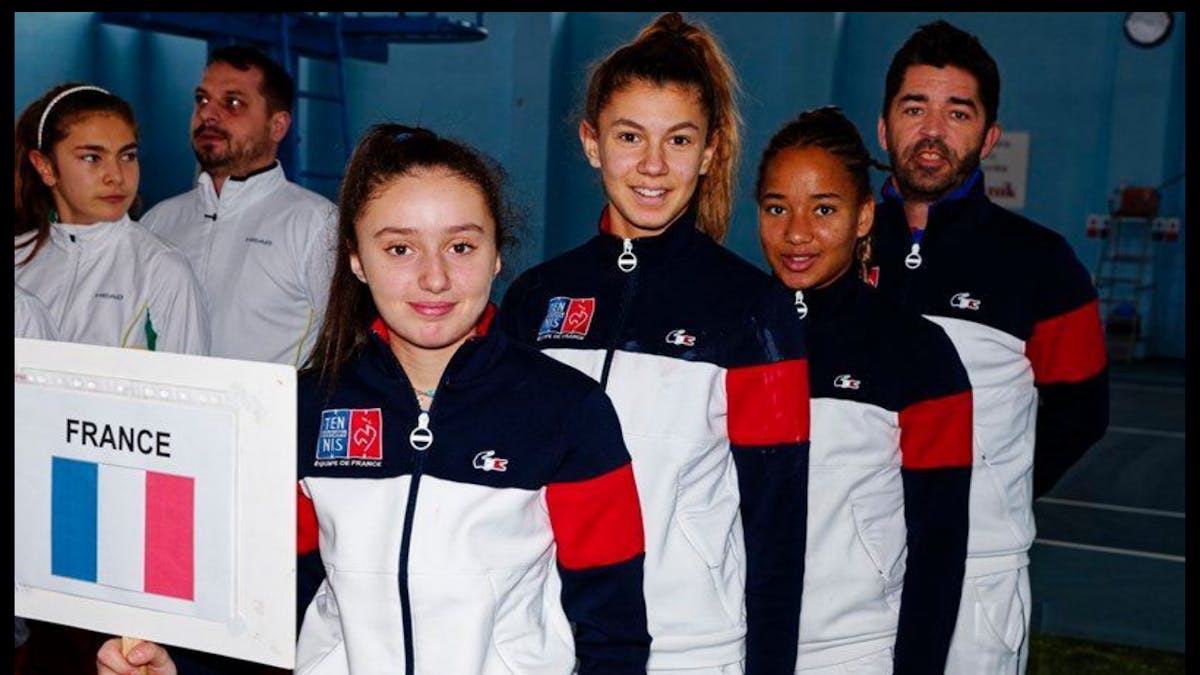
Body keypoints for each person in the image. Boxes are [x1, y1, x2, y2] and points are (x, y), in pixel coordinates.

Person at [100, 124, 652, 675]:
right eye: (399, 249)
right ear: (358, 261)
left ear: (496, 256)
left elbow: (613, 631)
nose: (434, 278)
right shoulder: (304, 407)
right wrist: (177, 669)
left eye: (461, 246)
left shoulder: (568, 410)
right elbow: (270, 607)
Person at [498, 13, 810, 674]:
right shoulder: (535, 298)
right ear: (591, 141)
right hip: (546, 641)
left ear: (710, 150)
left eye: (678, 139)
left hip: (688, 649)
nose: (652, 165)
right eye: (629, 136)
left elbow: (777, 523)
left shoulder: (754, 309)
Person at [871, 21, 1109, 673]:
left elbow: (1082, 411)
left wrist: (985, 492)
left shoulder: (1041, 263)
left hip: (978, 576)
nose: (933, 130)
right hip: (844, 566)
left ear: (989, 136)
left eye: (958, 112)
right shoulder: (833, 247)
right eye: (915, 108)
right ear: (885, 127)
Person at [756, 106, 972, 674]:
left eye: (823, 209)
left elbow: (940, 544)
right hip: (733, 645)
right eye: (777, 208)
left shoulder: (918, 352)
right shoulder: (731, 335)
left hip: (854, 651)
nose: (797, 233)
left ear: (863, 216)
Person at [138, 45, 337, 366]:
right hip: (165, 415)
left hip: (273, 415)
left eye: (232, 103)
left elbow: (347, 350)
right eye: (202, 99)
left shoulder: (316, 224)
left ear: (278, 126)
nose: (208, 115)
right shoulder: (158, 222)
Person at [14, 82, 209, 354]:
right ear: (45, 167)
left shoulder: (162, 270)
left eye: (127, 155)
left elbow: (192, 390)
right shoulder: (19, 258)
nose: (116, 176)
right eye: (92, 157)